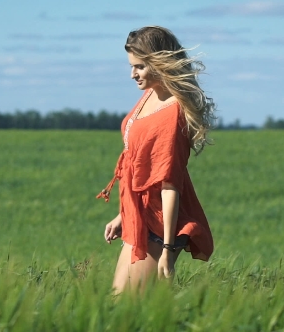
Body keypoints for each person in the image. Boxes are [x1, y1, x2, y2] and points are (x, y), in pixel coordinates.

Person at [96, 26, 215, 294]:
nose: (132, 74)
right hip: (140, 215)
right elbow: (144, 171)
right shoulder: (151, 94)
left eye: (139, 67)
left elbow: (169, 184)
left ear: (159, 63)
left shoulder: (171, 114)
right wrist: (123, 215)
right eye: (131, 66)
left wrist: (167, 248)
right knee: (120, 305)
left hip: (159, 226)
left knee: (126, 307)